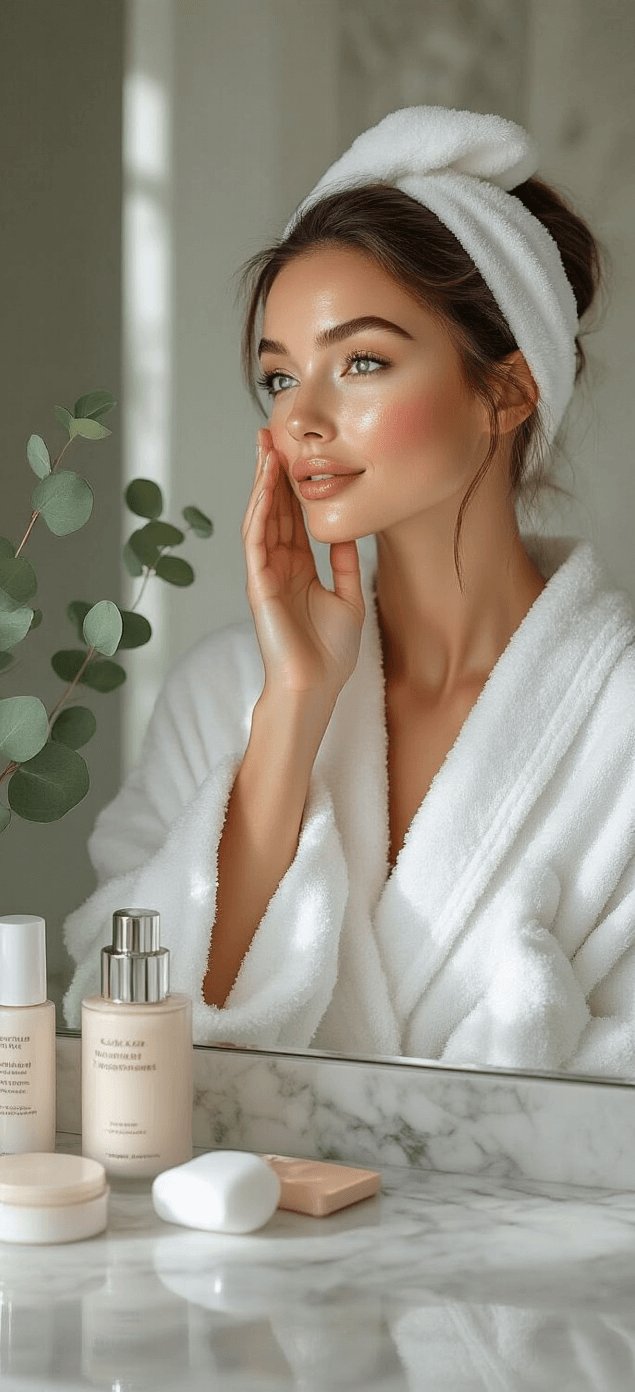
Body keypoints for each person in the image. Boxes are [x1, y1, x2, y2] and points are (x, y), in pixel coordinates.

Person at [63, 107, 635, 1077]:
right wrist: (291, 711)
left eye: (361, 362)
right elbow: (118, 1034)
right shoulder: (222, 696)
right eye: (279, 380)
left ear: (506, 388)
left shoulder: (618, 717)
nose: (303, 421)